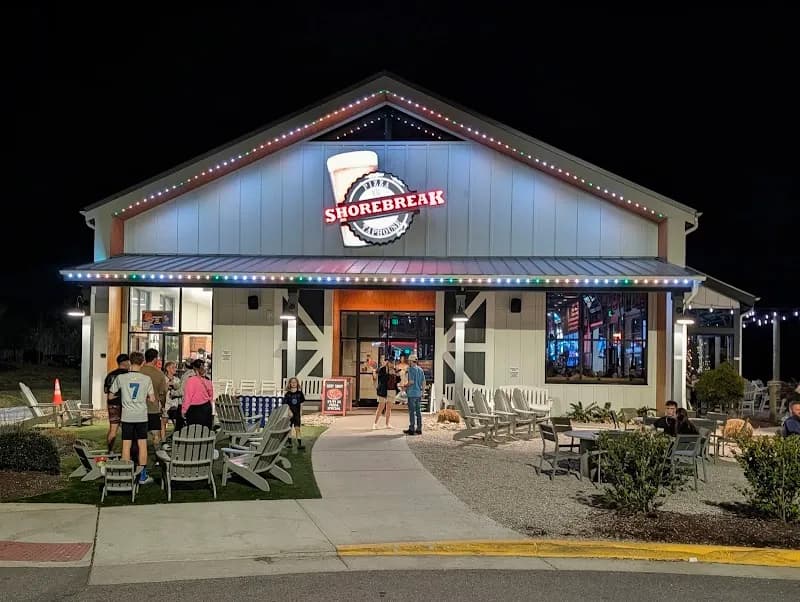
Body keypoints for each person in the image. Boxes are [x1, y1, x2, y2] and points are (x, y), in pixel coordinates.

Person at [108, 351, 155, 485]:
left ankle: (126, 474)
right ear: (142, 363)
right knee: (142, 445)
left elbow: (111, 396)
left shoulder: (121, 378)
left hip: (127, 416)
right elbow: (152, 399)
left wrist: (123, 396)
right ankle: (142, 476)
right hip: (141, 415)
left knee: (126, 445)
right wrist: (145, 397)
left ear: (130, 362)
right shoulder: (146, 379)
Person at [140, 348, 168, 448]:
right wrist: (163, 406)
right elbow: (163, 393)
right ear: (155, 359)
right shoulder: (159, 374)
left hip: (138, 408)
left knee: (139, 435)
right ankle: (156, 454)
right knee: (156, 435)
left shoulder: (139, 371)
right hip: (153, 408)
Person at [103, 353, 130, 453]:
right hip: (125, 404)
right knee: (127, 430)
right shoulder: (128, 375)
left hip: (112, 404)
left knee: (113, 430)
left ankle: (109, 450)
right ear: (126, 362)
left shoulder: (110, 375)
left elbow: (106, 391)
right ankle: (126, 451)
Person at [181, 359, 214, 430]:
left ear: (194, 369)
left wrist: (184, 410)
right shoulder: (208, 381)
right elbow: (211, 396)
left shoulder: (190, 380)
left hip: (194, 409)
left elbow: (188, 397)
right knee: (205, 431)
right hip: (206, 407)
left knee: (194, 431)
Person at [403, 354, 425, 436]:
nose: (408, 362)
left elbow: (411, 382)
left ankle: (411, 429)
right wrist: (422, 392)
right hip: (418, 394)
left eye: (409, 361)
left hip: (412, 394)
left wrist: (405, 386)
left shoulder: (411, 369)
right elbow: (423, 382)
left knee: (412, 412)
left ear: (412, 361)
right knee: (418, 412)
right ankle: (419, 429)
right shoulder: (420, 370)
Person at [373, 358, 397, 430]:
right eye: (391, 363)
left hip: (392, 390)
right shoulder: (383, 369)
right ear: (388, 363)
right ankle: (375, 423)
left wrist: (396, 374)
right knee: (381, 407)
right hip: (383, 390)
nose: (392, 364)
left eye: (393, 363)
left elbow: (398, 380)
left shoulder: (394, 370)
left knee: (389, 408)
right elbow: (381, 379)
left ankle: (387, 423)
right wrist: (389, 373)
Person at [163, 361, 183, 437]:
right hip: (166, 404)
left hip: (175, 404)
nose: (175, 369)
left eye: (175, 367)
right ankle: (163, 439)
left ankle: (175, 436)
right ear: (167, 368)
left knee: (176, 422)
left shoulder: (177, 380)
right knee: (164, 421)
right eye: (173, 367)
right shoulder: (163, 379)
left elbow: (180, 391)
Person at [284, 377, 305, 449]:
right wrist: (289, 411)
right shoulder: (287, 394)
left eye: (295, 382)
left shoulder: (300, 393)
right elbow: (286, 404)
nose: (293, 383)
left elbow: (301, 403)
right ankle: (289, 443)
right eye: (292, 382)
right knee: (289, 428)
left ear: (297, 383)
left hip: (297, 413)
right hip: (290, 414)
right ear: (289, 384)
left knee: (297, 428)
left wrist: (301, 411)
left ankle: (299, 444)